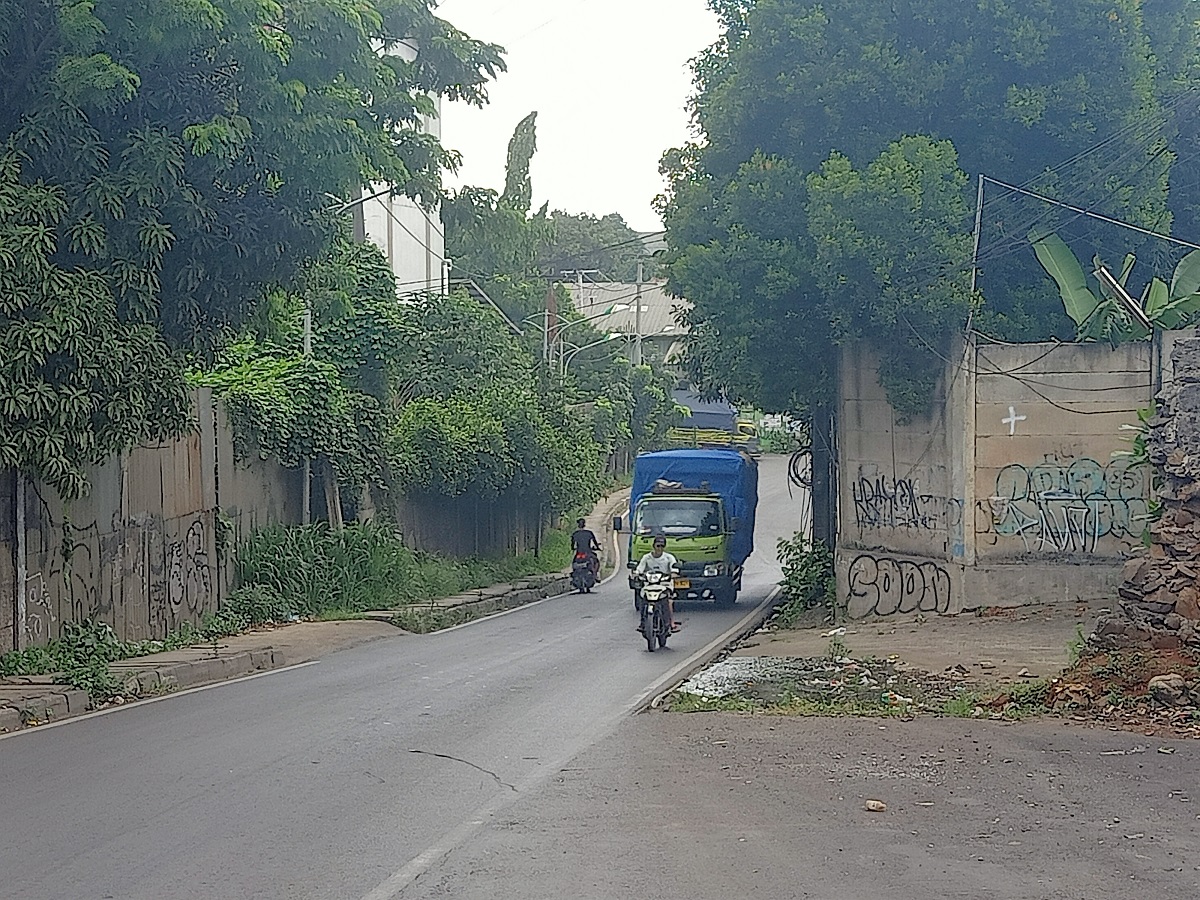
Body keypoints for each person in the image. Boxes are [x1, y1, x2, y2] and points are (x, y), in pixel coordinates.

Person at [634, 535, 680, 631]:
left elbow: (674, 569)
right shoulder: (646, 558)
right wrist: (636, 574)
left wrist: (673, 574)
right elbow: (639, 569)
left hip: (664, 583)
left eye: (662, 546)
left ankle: (671, 623)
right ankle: (643, 622)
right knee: (643, 599)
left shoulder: (669, 558)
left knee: (669, 601)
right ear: (653, 546)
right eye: (658, 546)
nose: (659, 548)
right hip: (649, 584)